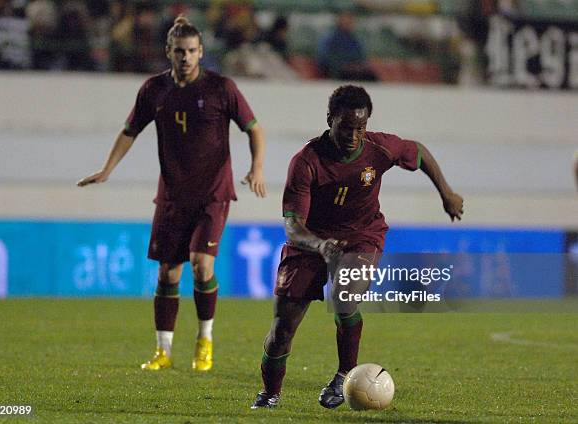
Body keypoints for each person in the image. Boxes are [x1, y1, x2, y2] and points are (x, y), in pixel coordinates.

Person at [251, 85, 463, 408]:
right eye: (346, 126)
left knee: (345, 296)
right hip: (311, 240)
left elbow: (417, 152)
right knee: (283, 327)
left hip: (362, 234)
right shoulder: (306, 162)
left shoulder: (379, 148)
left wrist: (446, 193)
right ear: (329, 119)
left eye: (360, 127)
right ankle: (269, 394)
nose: (353, 135)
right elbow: (293, 226)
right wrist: (321, 246)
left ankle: (344, 375)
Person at [78, 16, 266, 372]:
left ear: (201, 52)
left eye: (192, 51)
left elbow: (254, 129)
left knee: (201, 264)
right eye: (179, 51)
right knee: (167, 273)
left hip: (213, 192)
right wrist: (107, 170)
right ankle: (163, 350)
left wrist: (256, 168)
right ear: (169, 52)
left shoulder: (221, 89)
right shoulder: (154, 90)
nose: (186, 57)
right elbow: (129, 130)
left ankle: (205, 340)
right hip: (172, 196)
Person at [316, 11, 377, 81]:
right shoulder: (330, 38)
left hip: (352, 69)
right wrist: (343, 64)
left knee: (370, 75)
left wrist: (357, 65)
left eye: (350, 21)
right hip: (336, 70)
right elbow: (325, 57)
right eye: (345, 20)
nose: (348, 23)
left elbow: (360, 56)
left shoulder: (354, 39)